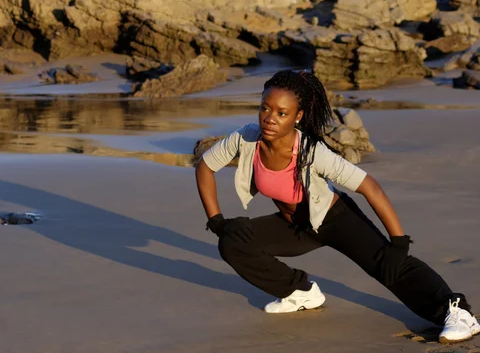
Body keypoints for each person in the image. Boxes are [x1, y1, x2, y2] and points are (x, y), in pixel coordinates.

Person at [195, 70, 478, 344]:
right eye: (265, 109)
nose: (270, 119)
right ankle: (300, 292)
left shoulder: (311, 152)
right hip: (297, 226)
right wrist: (216, 220)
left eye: (282, 113)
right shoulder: (247, 138)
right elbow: (205, 165)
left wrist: (399, 242)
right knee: (233, 241)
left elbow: (370, 187)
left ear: (298, 116)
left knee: (388, 267)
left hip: (336, 219)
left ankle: (457, 311)